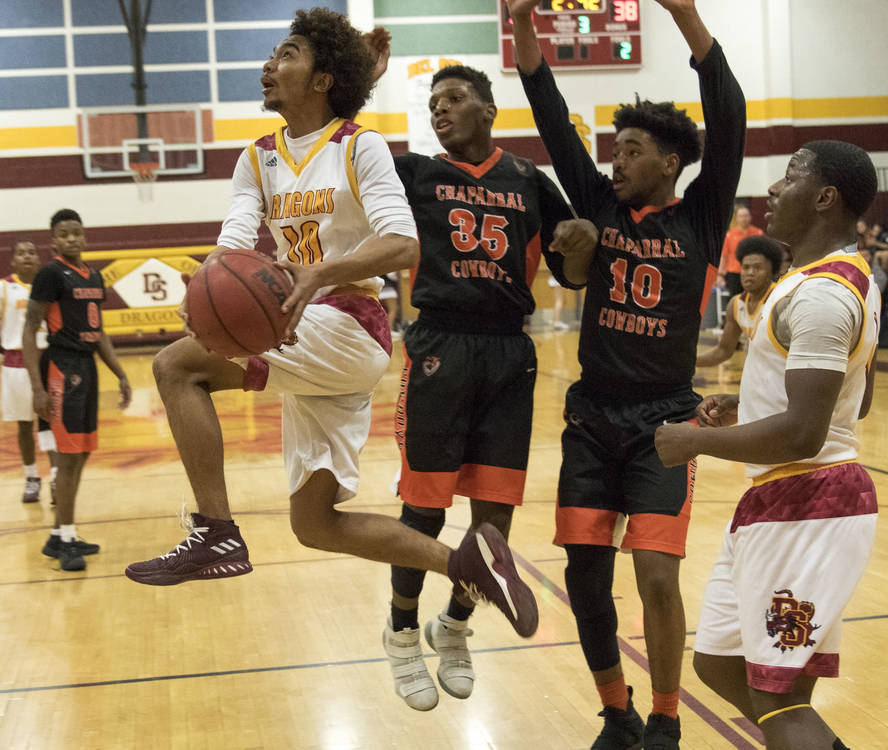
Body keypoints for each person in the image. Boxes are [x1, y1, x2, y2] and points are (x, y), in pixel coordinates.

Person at [124, 9, 539, 643]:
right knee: (314, 524)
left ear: (322, 79)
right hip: (304, 327)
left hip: (349, 324)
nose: (269, 65)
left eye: (286, 54)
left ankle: (214, 531)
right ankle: (468, 566)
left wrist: (317, 272)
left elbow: (402, 245)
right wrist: (205, 289)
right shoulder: (256, 159)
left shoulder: (358, 145)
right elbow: (234, 242)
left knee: (175, 366)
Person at [510, 0, 746, 746]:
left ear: (671, 162)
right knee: (584, 577)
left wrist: (682, 12)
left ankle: (668, 718)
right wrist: (523, 29)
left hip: (663, 424)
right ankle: (616, 710)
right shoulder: (601, 205)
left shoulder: (702, 217)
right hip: (591, 419)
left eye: (633, 148)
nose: (618, 158)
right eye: (617, 147)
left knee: (653, 575)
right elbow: (551, 116)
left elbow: (728, 108)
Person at [367, 32, 595, 710]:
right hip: (440, 344)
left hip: (507, 352)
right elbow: (348, 171)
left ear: (489, 110)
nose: (442, 111)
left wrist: (581, 245)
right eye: (434, 103)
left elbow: (571, 274)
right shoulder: (415, 175)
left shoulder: (529, 181)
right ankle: (403, 631)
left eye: (456, 99)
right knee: (424, 511)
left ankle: (456, 623)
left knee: (493, 520)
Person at [654, 140, 881, 750]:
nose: (774, 191)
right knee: (718, 662)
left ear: (826, 197)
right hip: (776, 502)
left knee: (777, 700)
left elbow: (808, 432)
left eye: (790, 177)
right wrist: (752, 405)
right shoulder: (818, 280)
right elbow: (855, 397)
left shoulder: (824, 296)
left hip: (811, 504)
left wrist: (697, 441)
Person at [23, 210, 133, 571]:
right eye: (63, 234)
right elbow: (30, 328)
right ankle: (67, 537)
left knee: (82, 454)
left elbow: (98, 332)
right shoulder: (50, 274)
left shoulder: (95, 276)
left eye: (76, 233)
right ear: (53, 241)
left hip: (86, 368)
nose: (71, 239)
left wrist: (120, 373)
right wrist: (37, 389)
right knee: (67, 459)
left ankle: (60, 535)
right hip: (60, 367)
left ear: (84, 237)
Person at [1, 240, 57, 503]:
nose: (26, 256)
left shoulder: (48, 286)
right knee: (24, 425)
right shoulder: (3, 287)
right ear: (12, 261)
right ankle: (32, 477)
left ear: (39, 258)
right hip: (15, 363)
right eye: (20, 252)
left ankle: (57, 477)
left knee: (52, 423)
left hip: (48, 358)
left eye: (32, 252)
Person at [696, 236, 782, 368]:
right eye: (746, 267)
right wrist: (687, 363)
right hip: (757, 379)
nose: (750, 273)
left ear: (771, 272)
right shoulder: (736, 304)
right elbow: (723, 351)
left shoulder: (780, 299)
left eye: (757, 268)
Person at [716, 206, 764, 296]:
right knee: (735, 299)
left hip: (753, 272)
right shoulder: (729, 235)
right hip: (734, 273)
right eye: (741, 216)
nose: (744, 219)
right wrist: (720, 275)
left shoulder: (758, 233)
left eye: (746, 216)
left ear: (750, 217)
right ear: (737, 218)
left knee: (754, 297)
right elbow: (724, 256)